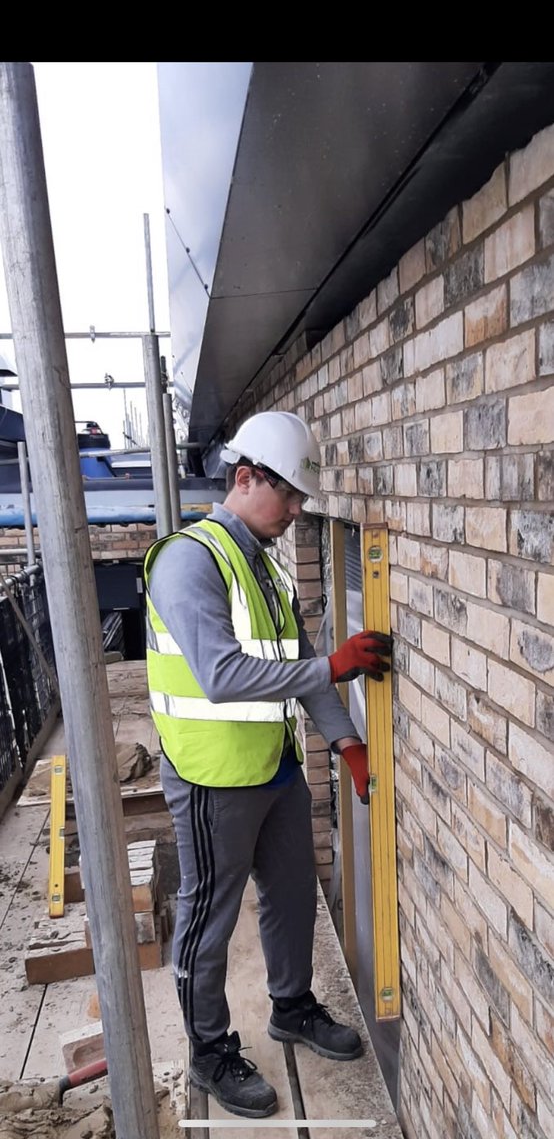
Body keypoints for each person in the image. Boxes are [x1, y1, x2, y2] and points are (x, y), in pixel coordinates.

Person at [144, 410, 392, 1119]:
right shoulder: (192, 560)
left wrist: (345, 740)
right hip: (212, 777)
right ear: (245, 477)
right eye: (288, 495)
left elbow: (301, 674)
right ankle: (210, 1049)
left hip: (276, 771)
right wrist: (333, 663)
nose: (295, 510)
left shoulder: (258, 562)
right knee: (207, 922)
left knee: (290, 896)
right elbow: (223, 675)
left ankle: (292, 1005)